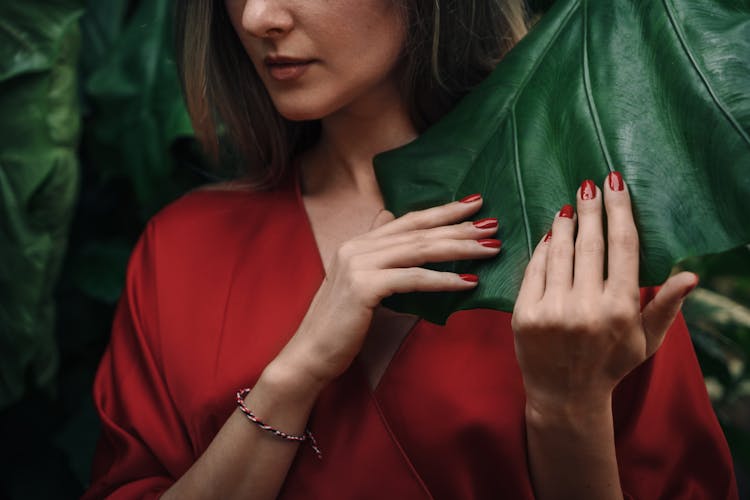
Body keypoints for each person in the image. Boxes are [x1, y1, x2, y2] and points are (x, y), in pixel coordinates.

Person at [84, 0, 738, 498]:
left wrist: (569, 409)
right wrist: (295, 375)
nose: (258, 17)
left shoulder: (585, 227)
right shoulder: (185, 247)